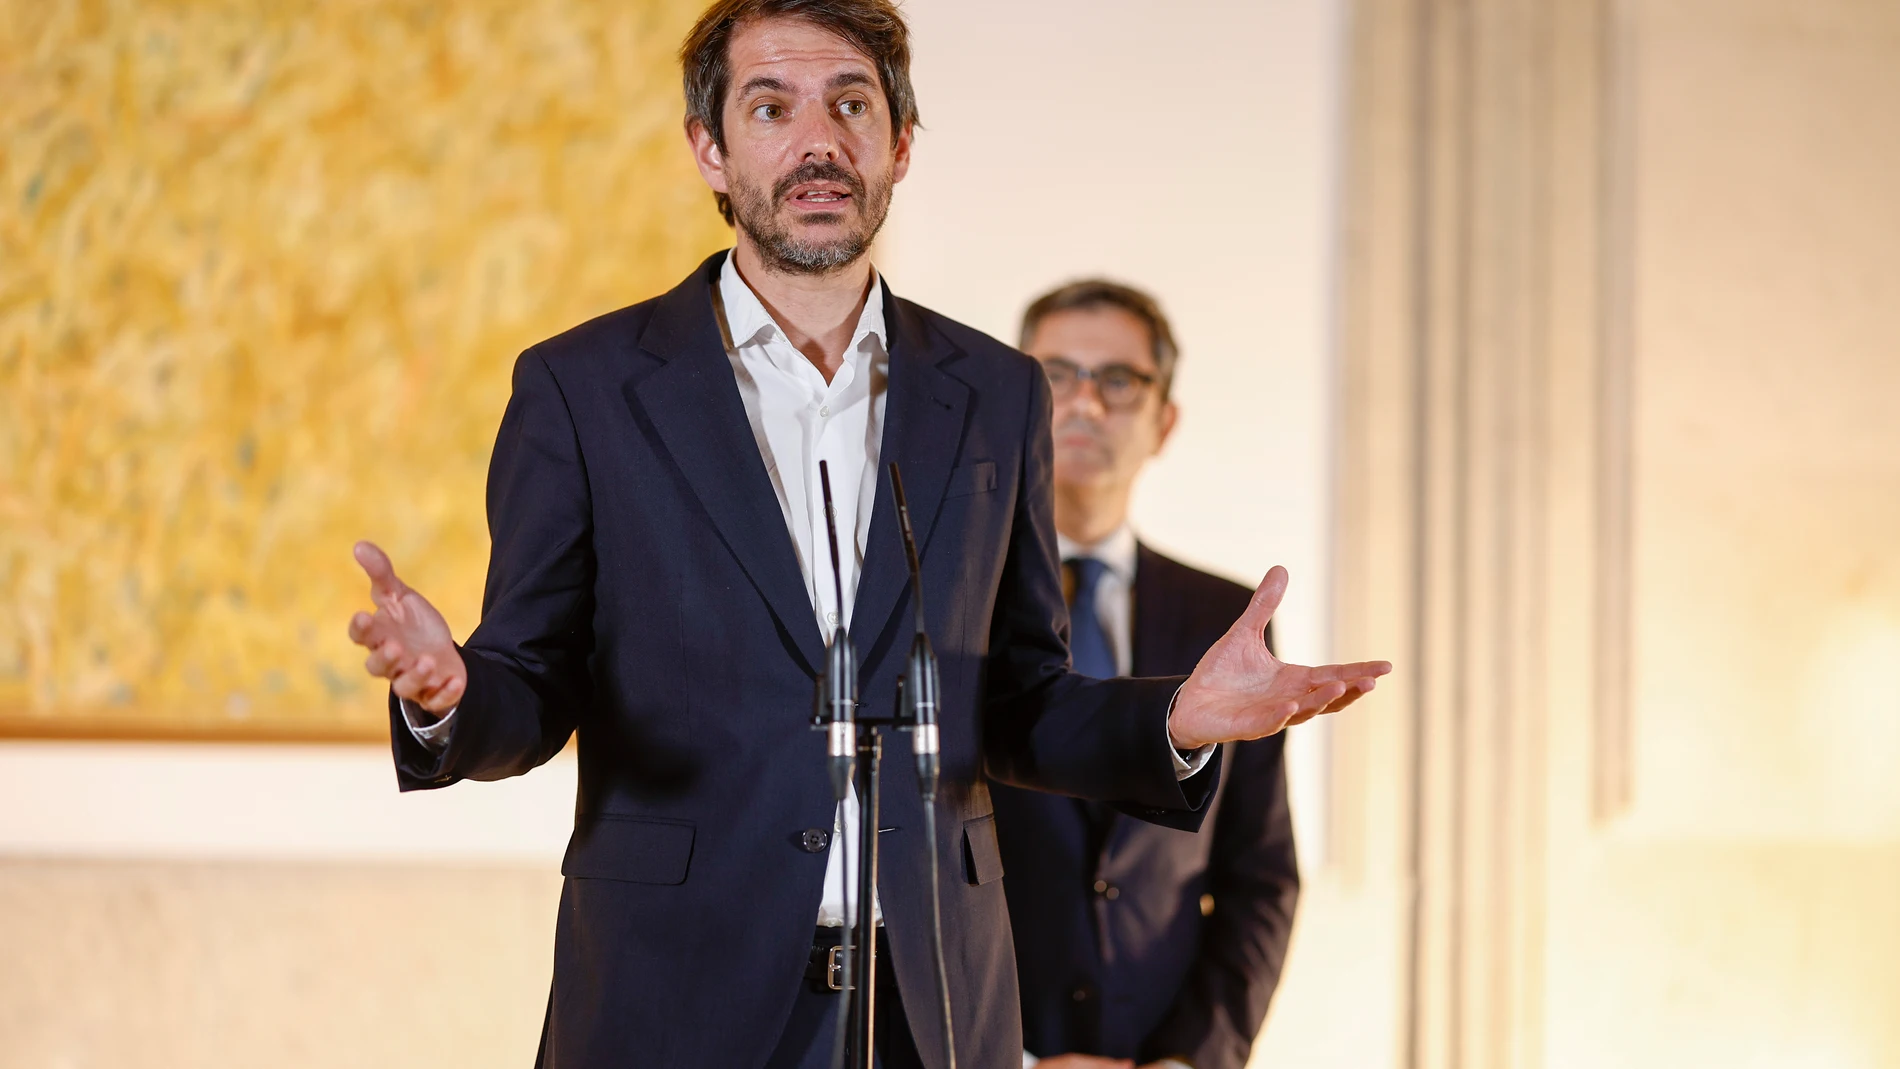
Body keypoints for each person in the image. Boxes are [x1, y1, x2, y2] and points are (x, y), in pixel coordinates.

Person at [344, 2, 1388, 1065]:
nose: (819, 141)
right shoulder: (583, 388)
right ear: (709, 148)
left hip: (931, 1002)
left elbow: (1019, 702)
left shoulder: (995, 392)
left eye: (851, 105)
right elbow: (532, 682)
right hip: (675, 992)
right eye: (771, 108)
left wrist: (1175, 719)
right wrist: (452, 695)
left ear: (900, 146)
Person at [993, 282, 1301, 1069]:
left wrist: (1189, 1059)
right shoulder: (948, 604)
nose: (1086, 402)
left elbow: (1261, 876)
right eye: (1055, 374)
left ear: (1164, 421)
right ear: (1012, 405)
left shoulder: (1227, 621)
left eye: (1119, 380)